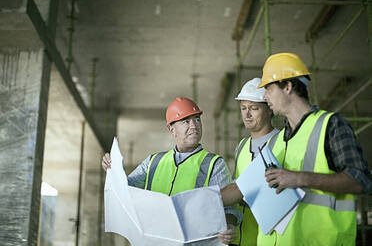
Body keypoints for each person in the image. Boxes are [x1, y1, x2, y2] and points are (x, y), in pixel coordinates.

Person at [223, 52, 372, 246]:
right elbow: (242, 188)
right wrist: (202, 201)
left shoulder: (330, 126)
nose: (265, 96)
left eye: (268, 88)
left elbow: (362, 180)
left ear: (288, 86)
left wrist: (299, 178)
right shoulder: (276, 142)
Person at [102, 97, 241, 245]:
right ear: (171, 129)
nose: (194, 126)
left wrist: (229, 225)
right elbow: (125, 191)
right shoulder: (153, 162)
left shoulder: (214, 164)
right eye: (185, 121)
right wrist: (112, 169)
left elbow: (228, 207)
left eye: (197, 119)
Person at [230, 78, 279, 246]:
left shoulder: (283, 142)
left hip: (271, 239)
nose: (247, 114)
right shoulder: (241, 146)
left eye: (254, 108)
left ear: (270, 110)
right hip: (241, 239)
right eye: (243, 108)